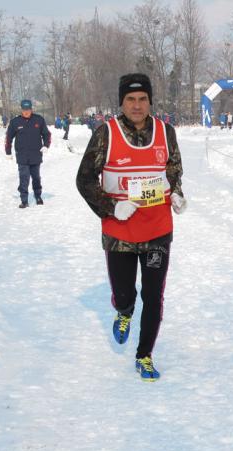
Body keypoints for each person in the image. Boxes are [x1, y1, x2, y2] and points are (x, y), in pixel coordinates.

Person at [76, 73, 186, 382]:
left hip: (157, 230)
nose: (137, 106)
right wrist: (112, 207)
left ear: (150, 101)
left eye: (142, 99)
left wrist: (176, 193)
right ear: (121, 102)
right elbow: (84, 180)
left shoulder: (166, 132)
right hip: (120, 233)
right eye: (130, 100)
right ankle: (123, 312)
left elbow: (173, 170)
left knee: (153, 296)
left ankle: (145, 355)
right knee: (126, 295)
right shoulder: (105, 135)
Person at [5, 99, 51, 208]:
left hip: (36, 155)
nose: (26, 112)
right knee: (24, 178)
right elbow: (8, 138)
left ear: (31, 109)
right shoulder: (15, 122)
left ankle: (38, 196)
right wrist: (8, 152)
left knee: (36, 177)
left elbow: (47, 134)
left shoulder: (38, 120)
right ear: (21, 109)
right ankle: (24, 200)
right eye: (24, 109)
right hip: (22, 156)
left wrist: (46, 146)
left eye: (28, 109)